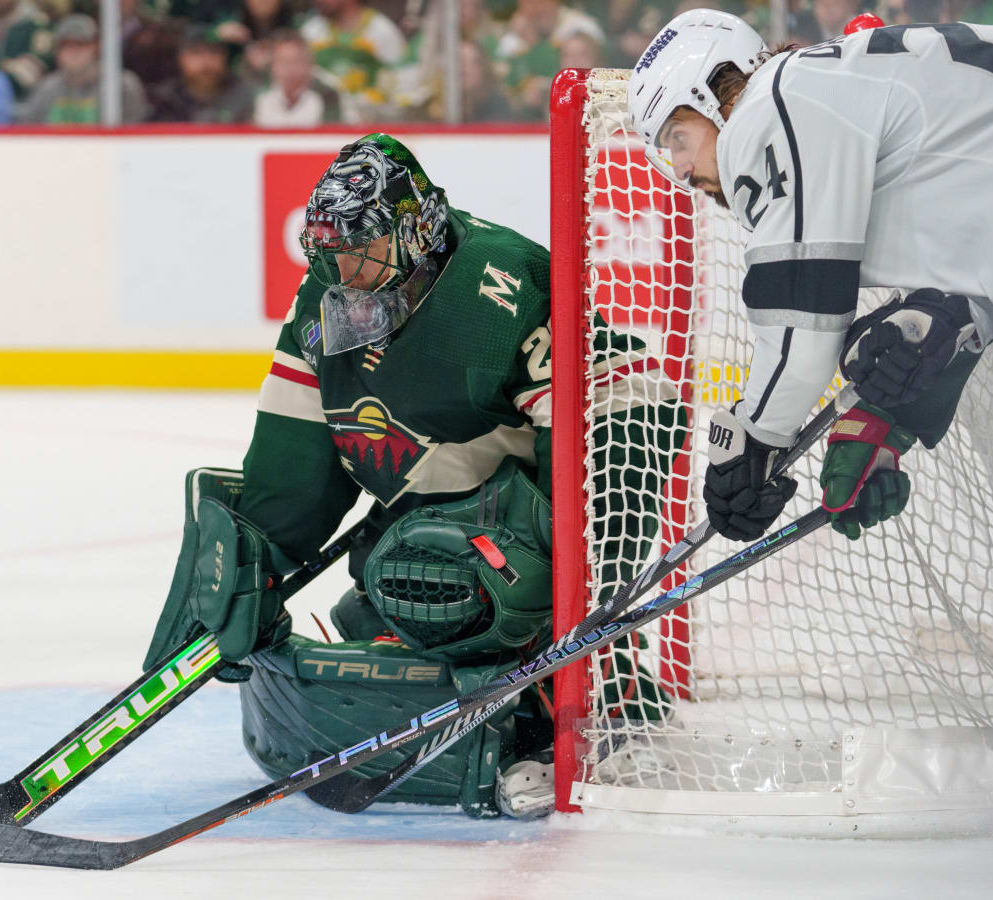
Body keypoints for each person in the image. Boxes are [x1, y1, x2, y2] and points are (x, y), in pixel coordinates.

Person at [140, 134, 684, 819]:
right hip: (450, 493)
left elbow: (608, 426)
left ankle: (581, 702)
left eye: (360, 250)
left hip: (607, 446)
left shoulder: (503, 288)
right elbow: (295, 460)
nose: (344, 272)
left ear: (418, 230)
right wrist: (251, 569)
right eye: (329, 253)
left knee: (459, 589)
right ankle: (531, 668)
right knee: (381, 600)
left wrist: (568, 575)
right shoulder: (326, 302)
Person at [625, 10, 993, 566]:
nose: (678, 167)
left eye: (679, 137)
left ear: (716, 95)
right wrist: (926, 335)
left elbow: (802, 336)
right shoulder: (825, 87)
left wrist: (748, 445)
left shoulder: (768, 109)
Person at [16, 14, 149, 124]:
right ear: (57, 52)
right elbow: (29, 131)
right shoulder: (47, 88)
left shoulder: (122, 85)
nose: (74, 52)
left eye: (81, 44)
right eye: (67, 46)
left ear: (95, 47)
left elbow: (133, 135)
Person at [148, 26, 254, 123]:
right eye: (196, 52)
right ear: (180, 58)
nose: (206, 62)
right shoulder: (163, 99)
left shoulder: (244, 94)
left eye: (214, 52)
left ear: (225, 57)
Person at [252, 29, 345, 127]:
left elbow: (332, 135)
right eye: (283, 61)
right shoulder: (259, 96)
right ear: (273, 66)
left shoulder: (328, 96)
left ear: (309, 64)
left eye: (295, 61)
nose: (289, 68)